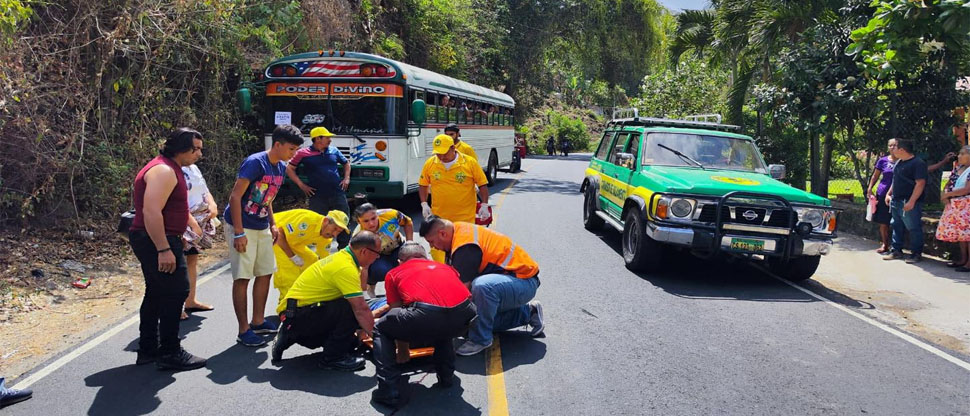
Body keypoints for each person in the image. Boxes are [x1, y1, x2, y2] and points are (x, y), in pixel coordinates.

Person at [128, 127, 207, 371]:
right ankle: (170, 351)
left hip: (163, 238)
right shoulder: (163, 170)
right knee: (176, 291)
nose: (199, 155)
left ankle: (149, 349)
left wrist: (176, 236)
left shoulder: (170, 168)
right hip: (155, 241)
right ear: (183, 148)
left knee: (156, 292)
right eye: (196, 149)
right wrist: (163, 247)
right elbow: (151, 211)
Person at [370, 243, 477, 408]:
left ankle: (388, 389)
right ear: (425, 257)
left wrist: (403, 349)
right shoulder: (446, 268)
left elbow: (396, 310)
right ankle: (446, 375)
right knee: (442, 325)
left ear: (400, 261)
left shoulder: (394, 273)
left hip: (426, 315)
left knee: (381, 328)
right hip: (466, 314)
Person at [420, 216, 544, 356]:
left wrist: (433, 318)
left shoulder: (464, 246)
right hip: (509, 282)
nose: (432, 247)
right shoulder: (457, 233)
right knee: (469, 325)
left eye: (431, 242)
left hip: (524, 282)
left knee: (481, 287)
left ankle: (480, 339)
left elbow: (461, 293)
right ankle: (529, 313)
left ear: (443, 233)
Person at [225, 124, 302, 347]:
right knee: (242, 277)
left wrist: (273, 223)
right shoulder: (255, 163)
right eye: (291, 149)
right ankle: (244, 330)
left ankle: (258, 321)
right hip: (242, 224)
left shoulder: (280, 167)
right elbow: (235, 197)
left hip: (262, 225)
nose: (293, 154)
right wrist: (239, 233)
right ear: (277, 144)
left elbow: (268, 198)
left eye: (296, 150)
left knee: (265, 272)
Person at [271, 232, 384, 370]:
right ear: (364, 251)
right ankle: (333, 358)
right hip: (300, 316)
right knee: (351, 307)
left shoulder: (342, 257)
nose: (378, 258)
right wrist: (380, 341)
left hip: (293, 314)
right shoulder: (345, 267)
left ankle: (289, 335)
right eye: (377, 253)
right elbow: (360, 308)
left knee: (351, 342)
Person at [418, 135, 490, 263]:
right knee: (438, 252)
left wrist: (484, 205)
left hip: (464, 217)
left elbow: (482, 185)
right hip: (440, 218)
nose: (441, 157)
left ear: (453, 148)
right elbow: (423, 184)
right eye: (438, 154)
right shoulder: (431, 163)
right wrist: (424, 204)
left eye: (444, 153)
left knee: (463, 253)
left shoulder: (469, 162)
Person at [286, 126, 353, 249]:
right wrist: (301, 185)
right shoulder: (303, 153)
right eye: (327, 137)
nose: (330, 140)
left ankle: (344, 249)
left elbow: (346, 163)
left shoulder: (334, 150)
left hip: (337, 192)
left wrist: (346, 178)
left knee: (344, 220)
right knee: (317, 224)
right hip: (316, 195)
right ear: (318, 139)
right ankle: (319, 250)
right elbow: (289, 168)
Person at [272, 209, 350, 300]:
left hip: (293, 242)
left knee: (312, 262)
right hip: (274, 236)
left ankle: (306, 295)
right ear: (325, 221)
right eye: (335, 229)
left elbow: (324, 260)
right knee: (289, 273)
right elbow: (280, 234)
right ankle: (286, 306)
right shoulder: (307, 220)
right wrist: (292, 256)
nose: (335, 234)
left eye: (339, 232)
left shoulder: (326, 237)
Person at [180, 163, 218, 320]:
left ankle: (190, 300)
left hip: (199, 218)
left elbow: (204, 190)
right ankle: (176, 305)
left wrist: (213, 205)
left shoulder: (193, 167)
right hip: (182, 220)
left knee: (192, 260)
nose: (198, 153)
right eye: (194, 149)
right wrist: (192, 224)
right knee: (178, 263)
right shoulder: (171, 168)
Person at [353, 203, 413, 298]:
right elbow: (363, 267)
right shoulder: (359, 236)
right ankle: (371, 286)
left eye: (373, 218)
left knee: (412, 258)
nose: (371, 223)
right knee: (380, 271)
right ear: (359, 222)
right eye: (366, 221)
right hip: (377, 256)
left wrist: (410, 243)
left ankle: (408, 289)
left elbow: (408, 222)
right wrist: (363, 293)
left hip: (397, 247)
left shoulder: (391, 214)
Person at [883, 138, 928, 264]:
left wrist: (912, 201)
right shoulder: (899, 162)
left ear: (902, 149)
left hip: (908, 201)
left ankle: (916, 253)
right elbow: (895, 179)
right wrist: (889, 194)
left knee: (913, 227)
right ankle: (896, 250)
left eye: (895, 146)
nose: (892, 149)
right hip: (896, 200)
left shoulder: (917, 163)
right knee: (896, 225)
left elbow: (920, 183)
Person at [936, 146, 970, 271]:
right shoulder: (958, 168)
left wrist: (949, 194)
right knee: (962, 234)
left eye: (962, 154)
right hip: (955, 205)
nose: (959, 156)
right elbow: (949, 183)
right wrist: (945, 194)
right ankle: (963, 259)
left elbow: (967, 188)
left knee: (968, 233)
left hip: (966, 204)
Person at [866, 139, 898, 254]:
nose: (892, 147)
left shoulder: (904, 160)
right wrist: (870, 188)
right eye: (890, 145)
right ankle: (885, 244)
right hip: (883, 193)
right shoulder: (882, 161)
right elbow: (875, 176)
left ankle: (896, 246)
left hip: (898, 194)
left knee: (896, 221)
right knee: (883, 221)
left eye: (895, 145)